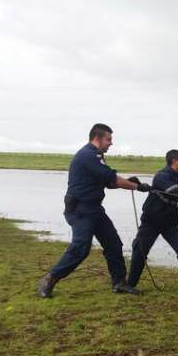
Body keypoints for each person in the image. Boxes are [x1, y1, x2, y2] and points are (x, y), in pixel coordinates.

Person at [37, 123, 150, 298]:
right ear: (98, 138)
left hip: (94, 208)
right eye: (109, 139)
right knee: (81, 247)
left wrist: (130, 181)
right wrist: (137, 186)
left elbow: (109, 182)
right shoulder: (88, 155)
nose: (111, 143)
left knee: (113, 243)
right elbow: (113, 179)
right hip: (80, 209)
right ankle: (49, 279)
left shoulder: (96, 155)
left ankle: (119, 282)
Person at [126, 149, 178, 293]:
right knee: (140, 250)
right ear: (175, 161)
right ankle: (130, 284)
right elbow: (174, 191)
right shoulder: (161, 176)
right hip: (151, 221)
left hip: (171, 222)